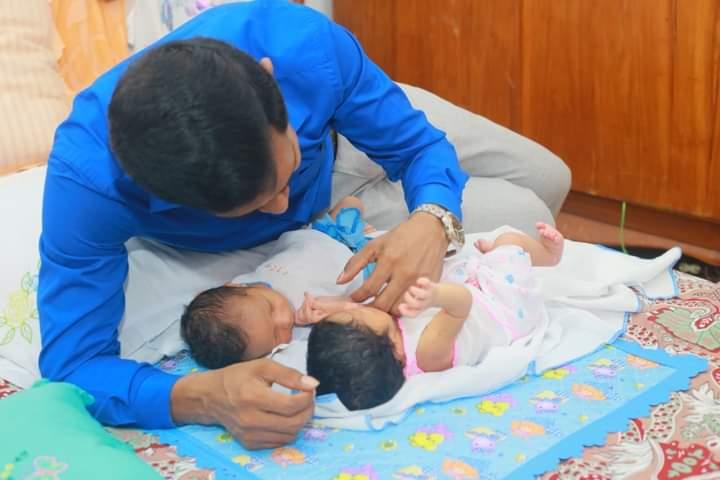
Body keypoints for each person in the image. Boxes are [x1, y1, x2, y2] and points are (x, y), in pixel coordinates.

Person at [38, 1, 569, 449]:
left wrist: (432, 218)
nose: (282, 206)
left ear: (270, 79)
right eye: (251, 206)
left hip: (345, 143)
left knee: (550, 177)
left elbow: (416, 147)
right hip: (335, 209)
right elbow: (74, 365)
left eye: (284, 171)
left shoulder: (300, 44)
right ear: (151, 191)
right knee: (528, 216)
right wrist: (202, 396)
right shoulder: (89, 182)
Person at [305, 223, 564, 411]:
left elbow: (362, 318)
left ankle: (489, 258)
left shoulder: (382, 349)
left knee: (427, 277)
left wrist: (330, 308)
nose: (356, 308)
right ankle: (548, 255)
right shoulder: (428, 353)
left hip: (473, 301)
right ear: (395, 348)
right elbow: (462, 302)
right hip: (503, 309)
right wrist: (435, 296)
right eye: (358, 313)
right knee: (509, 239)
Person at [181, 196, 373, 369]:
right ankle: (366, 237)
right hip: (359, 267)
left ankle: (358, 230)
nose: (285, 320)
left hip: (322, 237)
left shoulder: (238, 287)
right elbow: (351, 309)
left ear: (234, 285)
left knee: (351, 203)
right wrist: (329, 313)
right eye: (275, 335)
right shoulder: (307, 316)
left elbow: (212, 301)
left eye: (271, 309)